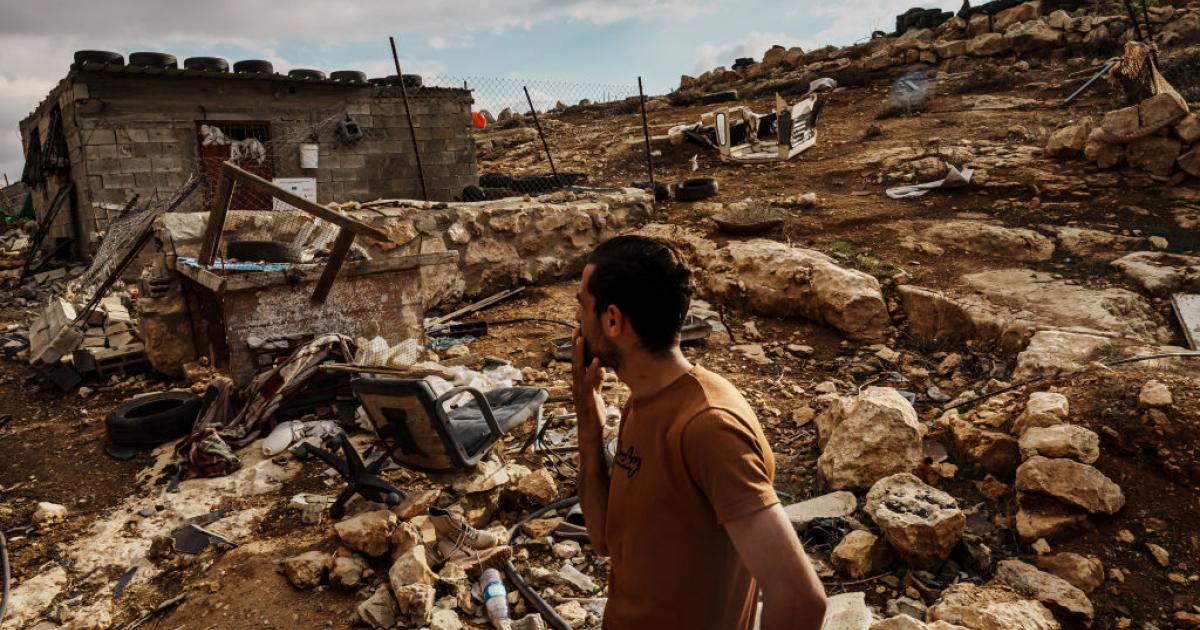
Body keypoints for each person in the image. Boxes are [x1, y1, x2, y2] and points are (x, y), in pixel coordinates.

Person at [572, 235, 828, 630]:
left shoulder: (708, 426)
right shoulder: (642, 402)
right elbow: (604, 540)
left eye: (582, 306)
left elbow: (799, 599)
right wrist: (589, 428)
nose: (577, 321)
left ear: (612, 320)